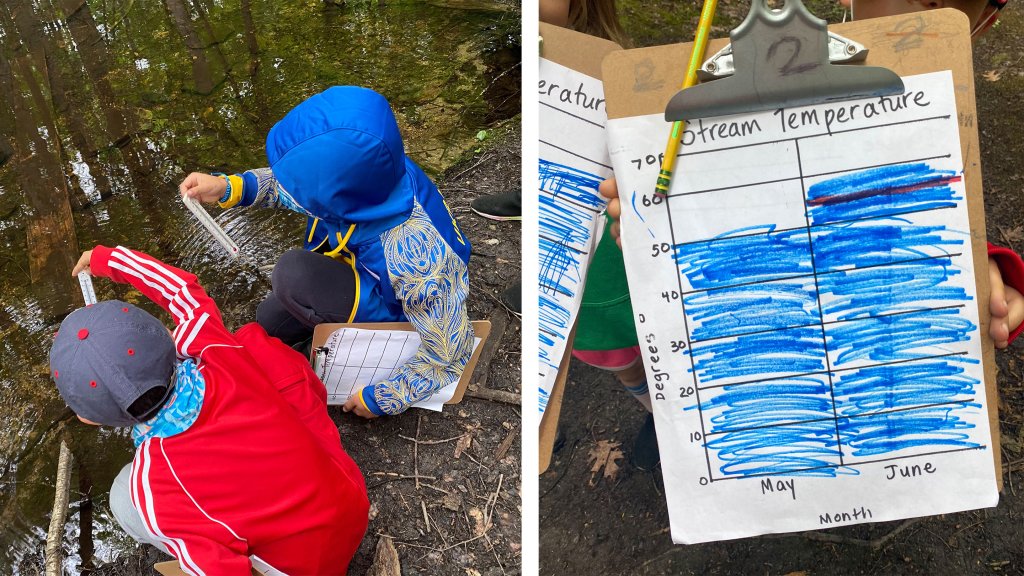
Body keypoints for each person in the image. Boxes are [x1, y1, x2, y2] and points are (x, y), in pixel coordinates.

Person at [583, 0, 1024, 470]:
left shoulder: (936, 115)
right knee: (649, 364)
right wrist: (650, 229)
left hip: (891, 415)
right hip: (730, 367)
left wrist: (988, 271)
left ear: (987, 19)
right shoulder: (708, 109)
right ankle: (664, 417)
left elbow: (937, 221)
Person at [51, 245, 369, 574]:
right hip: (351, 500)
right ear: (167, 337)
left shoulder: (155, 483)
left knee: (123, 497)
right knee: (252, 341)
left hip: (308, 567)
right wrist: (109, 260)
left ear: (87, 419)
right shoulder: (212, 344)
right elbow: (179, 288)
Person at [179, 86, 474, 418]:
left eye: (301, 191)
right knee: (269, 322)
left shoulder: (418, 257)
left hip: (399, 306)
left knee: (293, 275)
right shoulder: (370, 171)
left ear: (337, 196)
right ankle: (319, 329)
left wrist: (385, 397)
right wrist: (230, 187)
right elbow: (288, 184)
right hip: (366, 268)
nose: (288, 192)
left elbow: (451, 351)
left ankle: (334, 346)